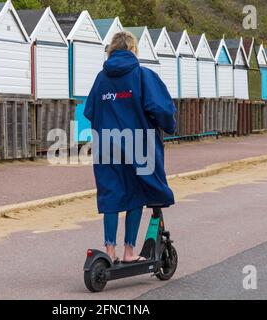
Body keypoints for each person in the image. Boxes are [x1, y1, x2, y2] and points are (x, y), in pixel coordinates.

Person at [84, 31, 176, 263]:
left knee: (111, 195)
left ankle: (109, 250)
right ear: (134, 51)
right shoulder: (143, 76)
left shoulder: (100, 79)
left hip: (106, 146)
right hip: (138, 146)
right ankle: (128, 252)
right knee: (135, 195)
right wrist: (167, 126)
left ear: (111, 51)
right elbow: (162, 109)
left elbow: (90, 111)